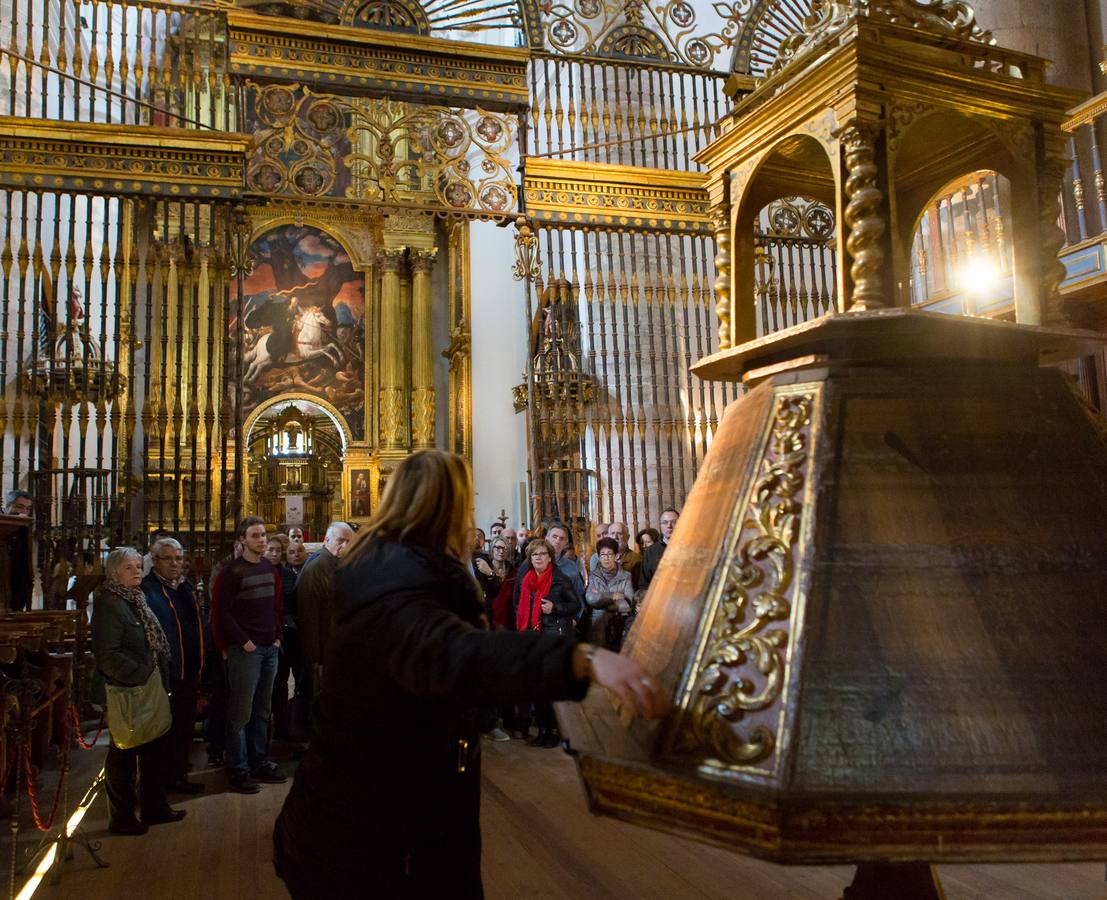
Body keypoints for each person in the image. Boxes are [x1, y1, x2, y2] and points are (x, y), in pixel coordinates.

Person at [272, 450, 666, 899]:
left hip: (370, 811)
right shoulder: (397, 582)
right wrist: (582, 660)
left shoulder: (384, 568)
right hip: (374, 832)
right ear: (448, 510)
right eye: (466, 506)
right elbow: (455, 653)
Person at [92, 547, 185, 835]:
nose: (137, 571)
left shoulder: (135, 598)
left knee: (153, 747)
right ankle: (122, 817)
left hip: (148, 686)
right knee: (124, 753)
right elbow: (107, 654)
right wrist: (141, 673)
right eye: (130, 567)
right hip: (128, 689)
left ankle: (154, 807)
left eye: (138, 566)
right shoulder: (110, 604)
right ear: (114, 573)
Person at [215, 517, 286, 793]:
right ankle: (238, 769)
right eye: (255, 535)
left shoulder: (269, 567)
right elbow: (223, 612)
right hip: (248, 650)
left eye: (263, 535)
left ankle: (259, 760)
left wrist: (278, 636)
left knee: (262, 711)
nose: (262, 540)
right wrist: (243, 642)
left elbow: (275, 606)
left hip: (269, 647)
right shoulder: (231, 572)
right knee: (241, 712)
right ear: (243, 539)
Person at [141, 537, 205, 795]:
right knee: (164, 732)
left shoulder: (185, 587)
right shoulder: (148, 590)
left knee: (184, 728)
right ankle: (161, 783)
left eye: (178, 558)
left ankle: (178, 775)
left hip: (188, 670)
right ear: (155, 561)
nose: (175, 564)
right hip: (166, 673)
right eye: (168, 559)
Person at [516, 538, 580, 748]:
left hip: (556, 637)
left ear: (550, 557)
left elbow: (575, 605)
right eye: (535, 555)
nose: (538, 558)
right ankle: (542, 730)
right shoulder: (527, 580)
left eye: (543, 554)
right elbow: (519, 605)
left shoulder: (560, 579)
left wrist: (555, 608)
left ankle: (554, 731)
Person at [297, 521, 355, 690]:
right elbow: (309, 618)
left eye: (349, 542)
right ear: (327, 540)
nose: (345, 546)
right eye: (340, 541)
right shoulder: (316, 569)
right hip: (323, 651)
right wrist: (315, 659)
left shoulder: (343, 565)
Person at [584, 537, 635, 649]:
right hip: (597, 626)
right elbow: (591, 599)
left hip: (619, 622)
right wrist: (614, 596)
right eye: (603, 554)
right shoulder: (593, 575)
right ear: (598, 557)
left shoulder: (626, 576)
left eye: (610, 554)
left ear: (616, 556)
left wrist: (601, 601)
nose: (606, 558)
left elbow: (628, 603)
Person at [640, 507, 679, 590]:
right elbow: (644, 584)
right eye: (665, 522)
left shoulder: (691, 549)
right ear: (660, 526)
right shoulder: (650, 551)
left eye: (674, 522)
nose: (669, 526)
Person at [607, 522, 641, 589]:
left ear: (627, 537)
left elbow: (638, 589)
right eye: (612, 533)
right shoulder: (600, 557)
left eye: (619, 534)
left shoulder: (636, 560)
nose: (615, 537)